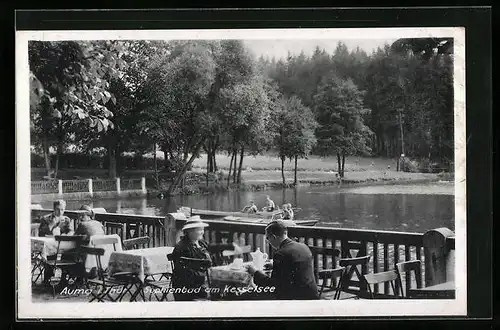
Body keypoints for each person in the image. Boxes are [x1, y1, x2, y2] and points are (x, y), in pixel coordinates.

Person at [171, 216, 243, 301]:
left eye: (203, 229)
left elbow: (211, 247)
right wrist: (208, 275)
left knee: (231, 283)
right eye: (199, 230)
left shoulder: (200, 242)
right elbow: (183, 272)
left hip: (205, 280)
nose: (202, 232)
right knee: (228, 283)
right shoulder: (182, 247)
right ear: (189, 231)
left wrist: (231, 245)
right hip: (191, 287)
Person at [245, 220, 319, 300]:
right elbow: (293, 268)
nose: (267, 241)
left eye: (267, 238)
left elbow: (273, 286)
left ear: (273, 237)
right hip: (311, 295)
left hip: (293, 299)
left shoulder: (281, 254)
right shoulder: (303, 246)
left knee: (246, 295)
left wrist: (255, 272)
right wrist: (275, 265)